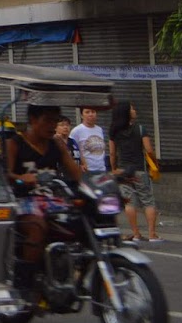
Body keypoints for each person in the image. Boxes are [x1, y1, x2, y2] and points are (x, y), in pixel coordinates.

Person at [6, 105, 82, 272]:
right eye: (47, 120)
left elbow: (78, 174)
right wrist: (21, 178)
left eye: (55, 121)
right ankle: (28, 278)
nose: (52, 126)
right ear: (33, 120)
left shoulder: (57, 144)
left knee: (84, 219)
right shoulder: (14, 143)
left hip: (53, 201)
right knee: (37, 226)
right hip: (22, 202)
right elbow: (4, 175)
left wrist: (105, 181)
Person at [108, 101, 161, 243]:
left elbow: (112, 153)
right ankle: (152, 234)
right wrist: (154, 165)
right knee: (148, 201)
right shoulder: (141, 129)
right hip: (139, 170)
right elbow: (149, 150)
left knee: (129, 202)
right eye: (131, 108)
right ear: (126, 112)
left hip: (122, 171)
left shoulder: (114, 130)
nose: (134, 110)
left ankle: (136, 234)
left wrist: (114, 169)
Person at [70, 106, 108, 175]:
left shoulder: (99, 129)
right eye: (87, 112)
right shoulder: (76, 131)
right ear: (82, 115)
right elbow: (71, 149)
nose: (90, 114)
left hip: (102, 170)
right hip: (87, 170)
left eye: (93, 112)